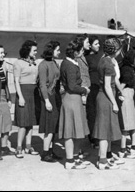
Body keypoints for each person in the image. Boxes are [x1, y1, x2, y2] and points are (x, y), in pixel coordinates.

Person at [59, 41, 90, 170]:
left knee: (77, 131)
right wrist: (84, 90)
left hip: (73, 100)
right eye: (81, 50)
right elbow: (72, 86)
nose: (83, 52)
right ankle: (70, 161)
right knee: (70, 132)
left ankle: (75, 157)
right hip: (71, 99)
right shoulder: (70, 65)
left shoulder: (70, 63)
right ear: (75, 52)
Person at [93, 37, 123, 170]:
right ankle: (103, 162)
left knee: (107, 129)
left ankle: (105, 158)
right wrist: (114, 103)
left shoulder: (103, 60)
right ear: (115, 50)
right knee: (104, 131)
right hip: (106, 98)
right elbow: (107, 86)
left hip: (103, 97)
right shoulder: (109, 64)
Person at [13, 40, 39, 158]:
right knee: (23, 123)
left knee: (31, 123)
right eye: (34, 50)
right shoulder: (18, 63)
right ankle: (19, 147)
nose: (36, 52)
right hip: (23, 93)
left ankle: (28, 146)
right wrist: (20, 97)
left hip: (33, 94)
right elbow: (16, 82)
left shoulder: (35, 63)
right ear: (28, 51)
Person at [37, 41, 62, 162]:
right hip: (48, 97)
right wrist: (46, 101)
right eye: (57, 50)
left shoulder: (54, 63)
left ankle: (51, 151)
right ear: (51, 51)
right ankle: (45, 153)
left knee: (54, 126)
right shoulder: (43, 65)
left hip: (55, 96)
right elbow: (42, 85)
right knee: (49, 126)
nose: (59, 52)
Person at [118, 49, 135, 159]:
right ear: (133, 57)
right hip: (126, 96)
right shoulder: (127, 70)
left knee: (133, 124)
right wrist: (120, 95)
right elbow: (121, 86)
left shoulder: (128, 67)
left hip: (129, 96)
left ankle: (133, 146)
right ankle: (123, 150)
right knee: (127, 125)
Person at [85, 35, 102, 148]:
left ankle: (98, 136)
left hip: (99, 86)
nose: (99, 46)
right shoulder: (86, 58)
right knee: (92, 114)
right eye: (96, 44)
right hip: (91, 88)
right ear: (90, 45)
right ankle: (93, 138)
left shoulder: (99, 56)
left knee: (99, 113)